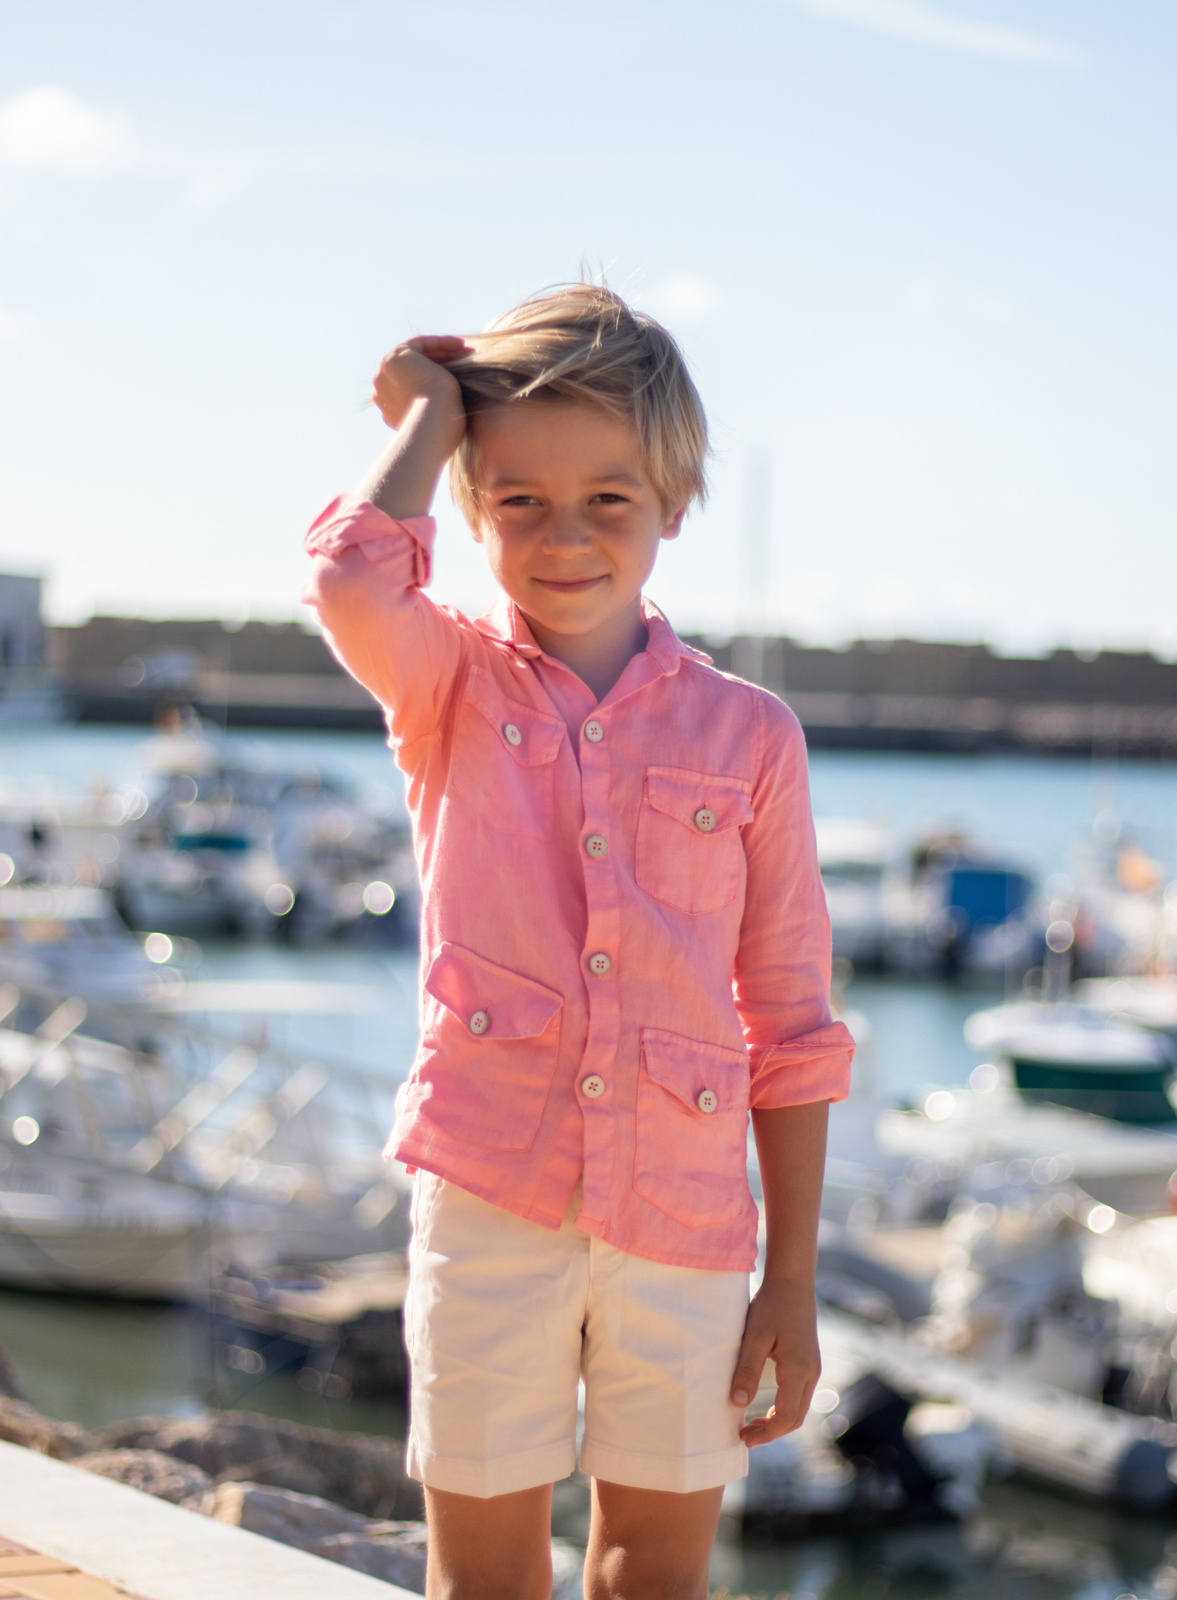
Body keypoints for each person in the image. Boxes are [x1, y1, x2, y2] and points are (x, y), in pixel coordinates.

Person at [302, 284, 854, 1600]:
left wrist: (792, 1286)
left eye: (609, 497)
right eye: (520, 501)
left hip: (686, 1220)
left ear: (674, 501)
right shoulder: (443, 685)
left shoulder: (751, 737)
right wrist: (435, 416)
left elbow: (793, 1024)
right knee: (484, 1579)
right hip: (489, 1197)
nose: (564, 536)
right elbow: (345, 573)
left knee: (646, 1578)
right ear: (476, 505)